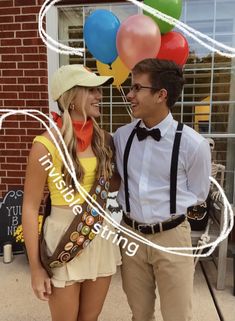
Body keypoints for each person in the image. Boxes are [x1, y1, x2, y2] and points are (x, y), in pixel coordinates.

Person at [113, 58, 211, 321]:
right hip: (131, 235)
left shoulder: (193, 145)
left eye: (136, 88)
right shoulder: (122, 136)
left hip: (172, 237)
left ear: (161, 95)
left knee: (177, 315)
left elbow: (199, 193)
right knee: (139, 313)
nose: (130, 95)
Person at [22, 64, 121, 321]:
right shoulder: (45, 145)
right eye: (90, 90)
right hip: (64, 237)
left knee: (90, 318)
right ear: (70, 96)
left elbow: (114, 186)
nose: (99, 96)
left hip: (100, 235)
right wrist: (35, 268)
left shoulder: (105, 140)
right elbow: (30, 208)